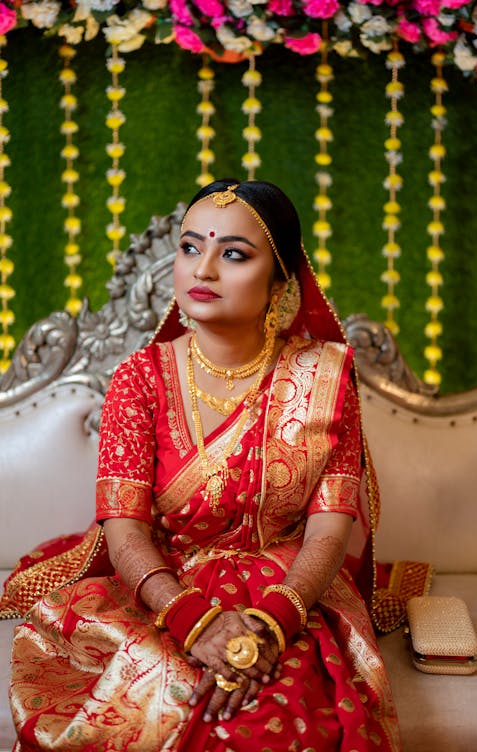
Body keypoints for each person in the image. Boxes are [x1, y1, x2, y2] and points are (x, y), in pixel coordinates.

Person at [9, 179, 401, 751]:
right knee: (144, 703)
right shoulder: (138, 380)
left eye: (234, 254)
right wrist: (190, 617)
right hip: (162, 583)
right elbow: (124, 528)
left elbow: (328, 527)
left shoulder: (323, 380)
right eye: (190, 248)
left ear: (281, 281)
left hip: (287, 587)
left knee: (278, 716)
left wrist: (275, 620)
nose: (204, 270)